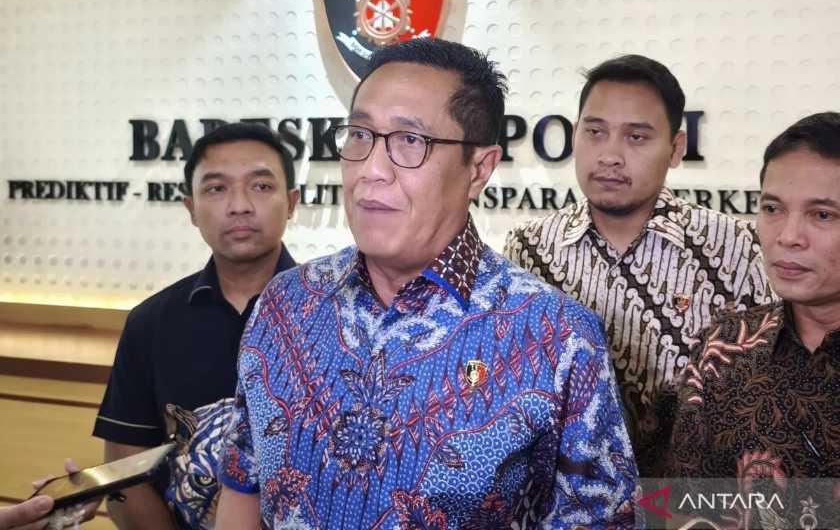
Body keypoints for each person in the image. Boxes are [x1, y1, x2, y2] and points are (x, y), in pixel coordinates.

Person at [215, 38, 638, 529]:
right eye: (360, 135)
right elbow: (243, 483)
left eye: (410, 141)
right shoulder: (286, 303)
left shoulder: (557, 337)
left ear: (478, 169)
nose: (371, 170)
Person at [504, 54, 775, 477]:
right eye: (595, 132)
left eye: (636, 137)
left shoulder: (736, 248)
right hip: (570, 494)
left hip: (695, 497)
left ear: (676, 149)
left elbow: (766, 392)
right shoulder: (529, 249)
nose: (610, 155)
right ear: (575, 136)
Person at [93, 122, 300, 529]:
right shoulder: (150, 323)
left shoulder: (339, 317)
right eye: (216, 188)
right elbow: (125, 476)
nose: (239, 205)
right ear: (191, 208)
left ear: (291, 202)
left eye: (261, 186)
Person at [670, 112, 840, 484]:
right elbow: (684, 500)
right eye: (772, 209)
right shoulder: (724, 348)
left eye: (823, 215)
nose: (788, 236)